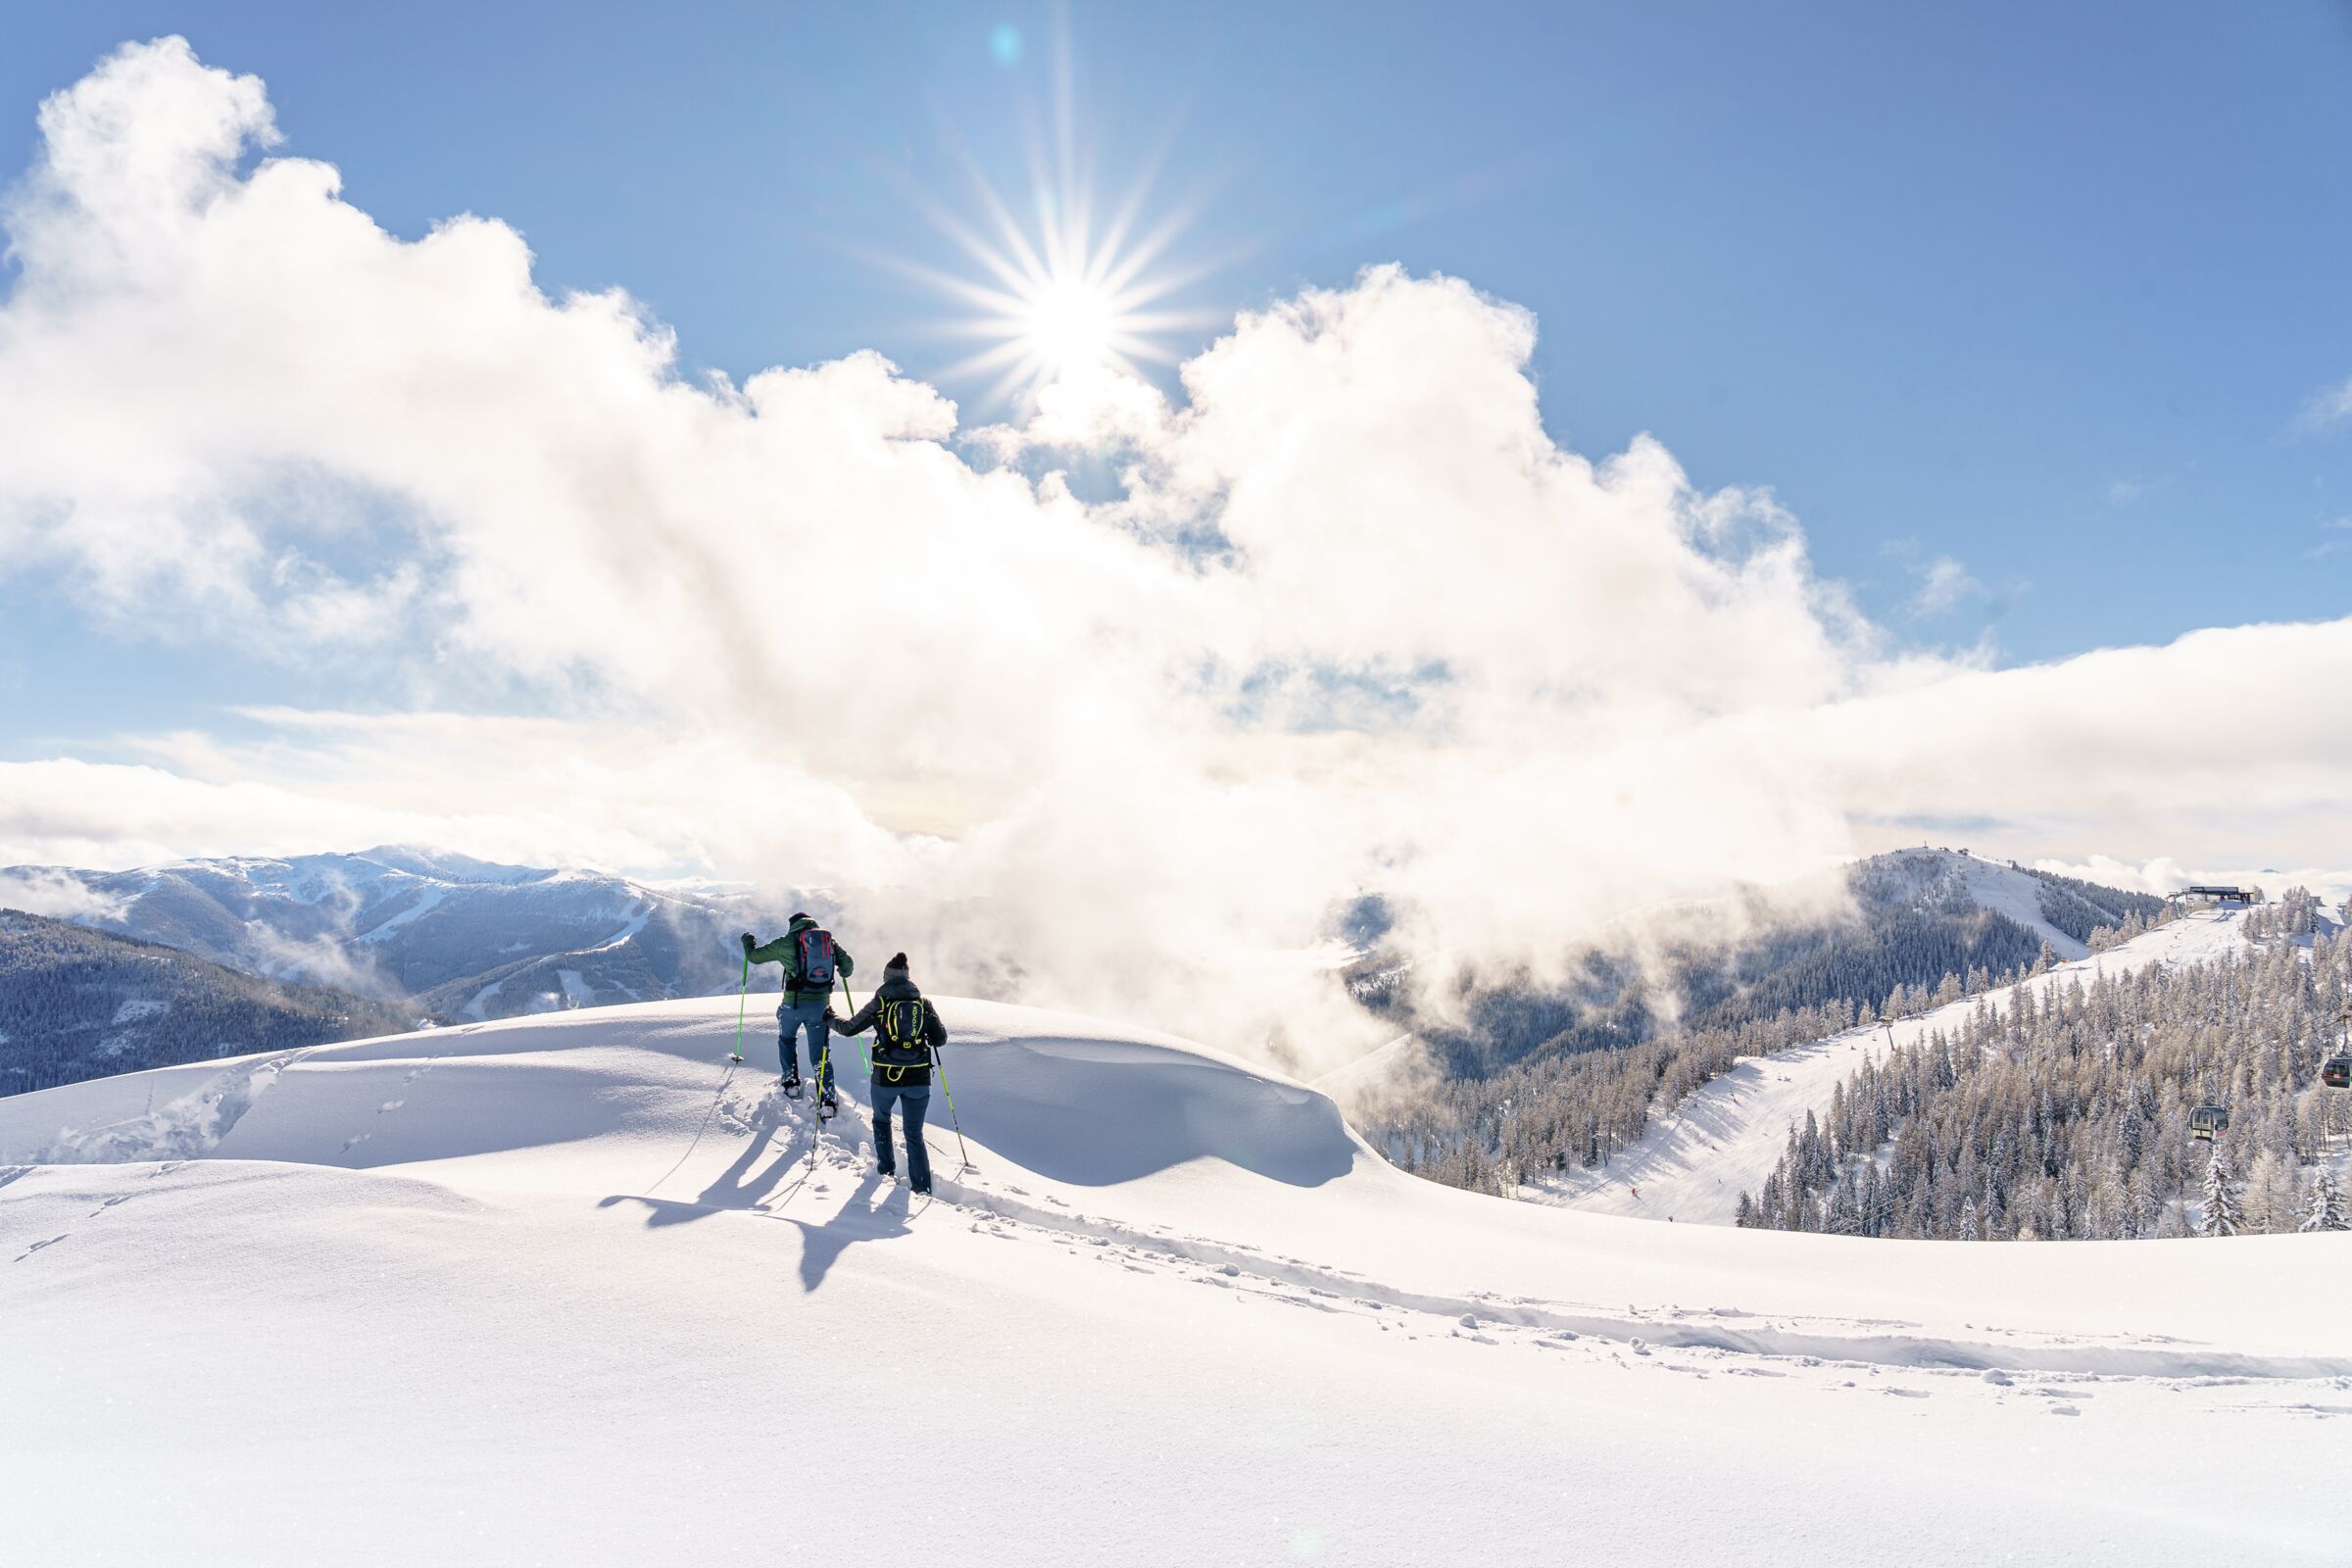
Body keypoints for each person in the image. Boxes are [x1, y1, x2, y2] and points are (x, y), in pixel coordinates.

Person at [826, 952, 948, 1194]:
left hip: (886, 1076)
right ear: (907, 976)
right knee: (914, 1133)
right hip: (919, 1077)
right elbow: (940, 1040)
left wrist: (829, 1018)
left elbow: (849, 1029)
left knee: (881, 1121)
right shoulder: (922, 1003)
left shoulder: (880, 1002)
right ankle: (921, 1187)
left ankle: (886, 1171)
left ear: (886, 976)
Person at [742, 913, 855, 1110]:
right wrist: (841, 971)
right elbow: (848, 968)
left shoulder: (784, 943)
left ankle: (790, 1081)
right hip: (820, 1007)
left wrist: (748, 942)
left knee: (787, 1039)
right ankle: (827, 1099)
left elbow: (754, 957)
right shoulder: (828, 942)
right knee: (820, 1054)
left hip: (792, 1006)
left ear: (792, 926)